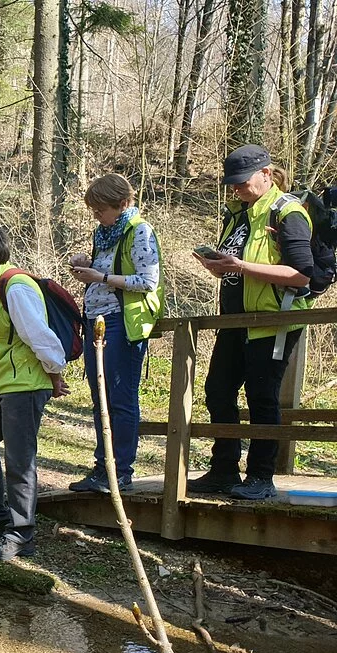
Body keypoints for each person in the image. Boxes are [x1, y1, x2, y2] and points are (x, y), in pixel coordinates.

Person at [187, 145, 315, 500]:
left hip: (272, 321)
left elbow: (301, 275)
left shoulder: (287, 213)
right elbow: (240, 261)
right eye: (232, 184)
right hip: (235, 320)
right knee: (218, 390)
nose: (236, 190)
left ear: (266, 174)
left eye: (242, 183)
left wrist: (240, 267)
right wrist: (219, 265)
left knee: (262, 397)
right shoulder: (237, 213)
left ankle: (261, 476)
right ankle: (223, 469)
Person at [0, 224, 68, 560]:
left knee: (20, 461)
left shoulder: (15, 286)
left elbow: (40, 336)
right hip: (6, 384)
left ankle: (22, 534)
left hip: (24, 385)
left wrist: (55, 374)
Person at [67, 174, 163, 493]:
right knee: (100, 397)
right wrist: (87, 263)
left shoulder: (139, 231)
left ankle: (120, 470)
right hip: (96, 320)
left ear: (122, 204)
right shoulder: (105, 232)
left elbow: (147, 281)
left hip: (123, 321)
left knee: (120, 397)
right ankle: (102, 466)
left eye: (100, 209)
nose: (96, 215)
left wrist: (101, 276)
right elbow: (107, 267)